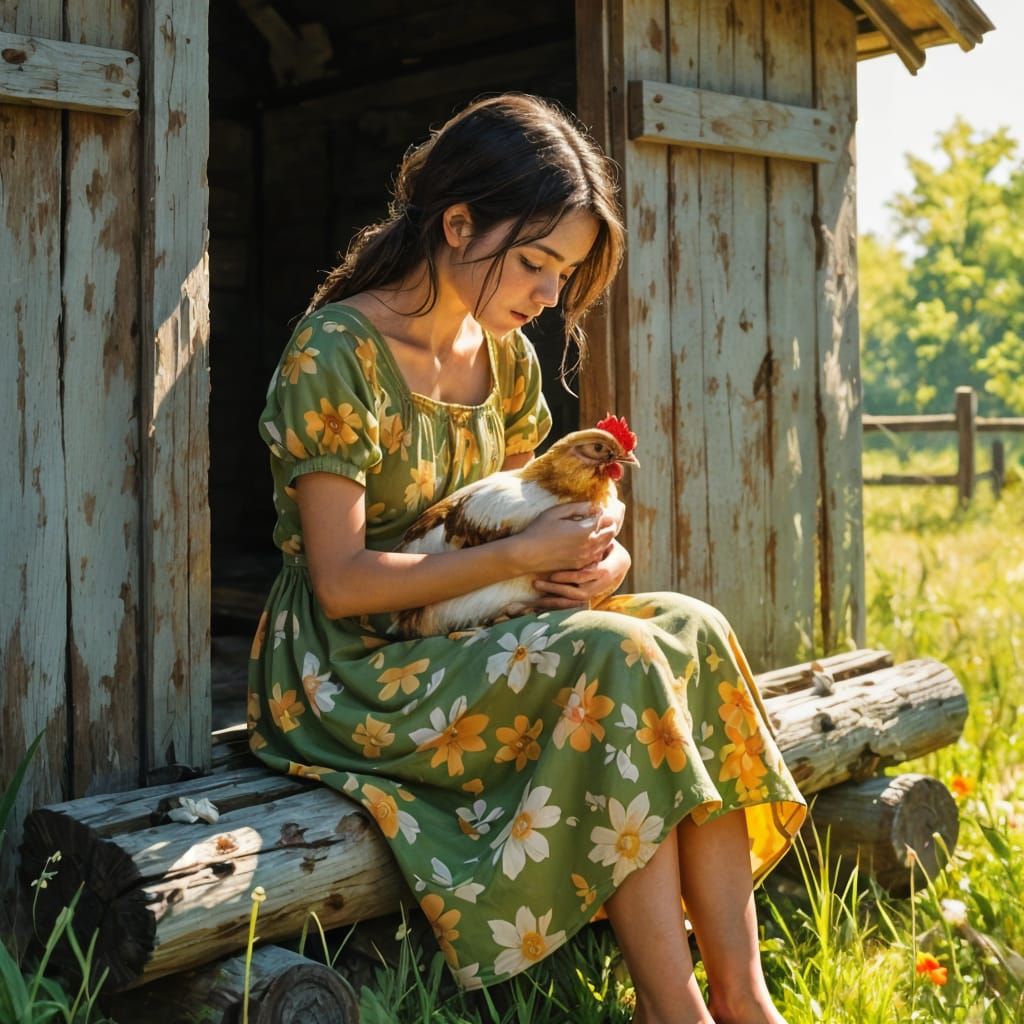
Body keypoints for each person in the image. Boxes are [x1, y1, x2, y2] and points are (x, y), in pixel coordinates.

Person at [247, 93, 807, 1024]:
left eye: (567, 271)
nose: (551, 295)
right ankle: (677, 1012)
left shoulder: (502, 359)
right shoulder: (336, 352)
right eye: (538, 263)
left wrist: (595, 566)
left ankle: (747, 1003)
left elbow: (520, 518)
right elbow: (340, 584)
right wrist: (526, 556)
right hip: (352, 669)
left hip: (481, 629)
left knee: (692, 629)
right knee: (618, 661)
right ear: (456, 223)